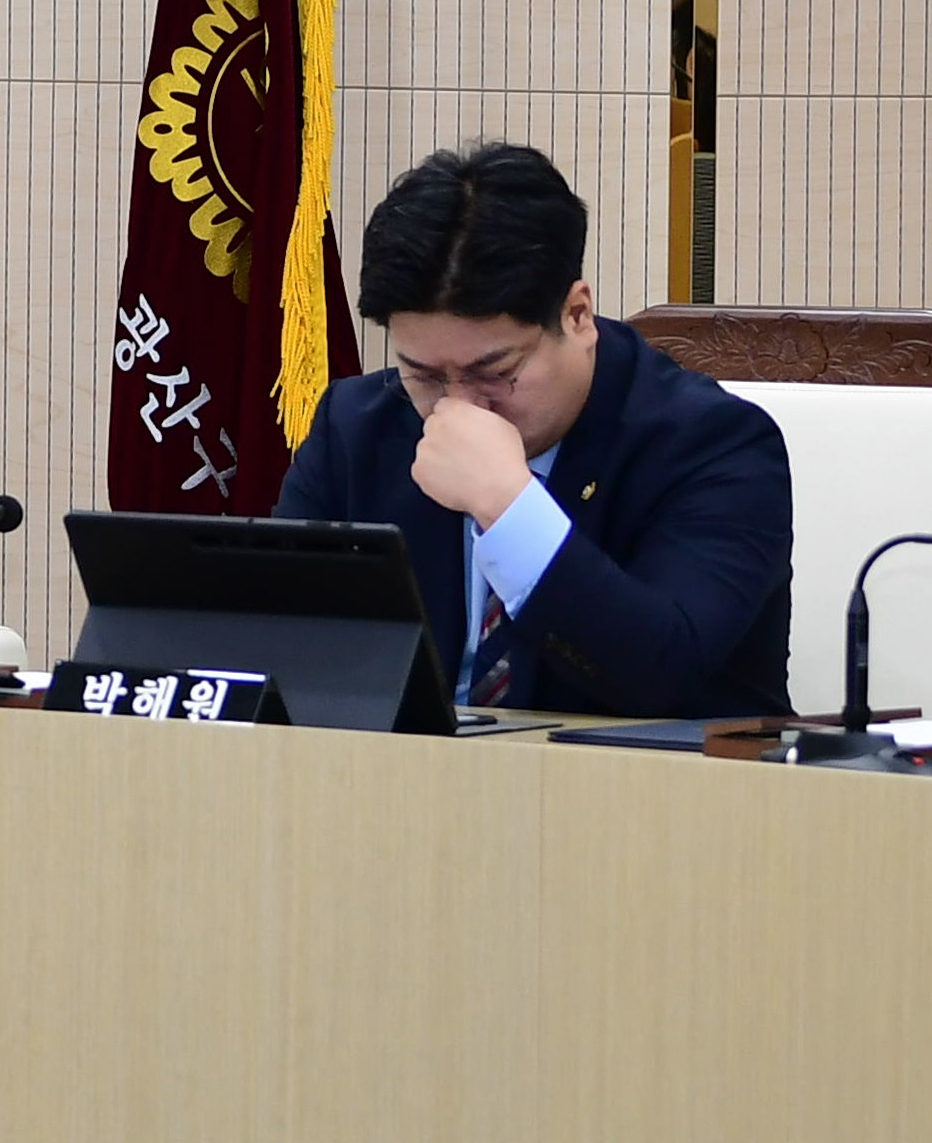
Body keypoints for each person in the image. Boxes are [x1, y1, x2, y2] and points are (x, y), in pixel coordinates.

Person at [273, 141, 792, 716]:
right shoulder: (355, 428)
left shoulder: (717, 445)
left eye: (494, 372)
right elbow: (276, 640)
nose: (460, 408)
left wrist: (508, 505)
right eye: (422, 374)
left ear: (577, 316)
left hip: (653, 791)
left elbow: (661, 673)